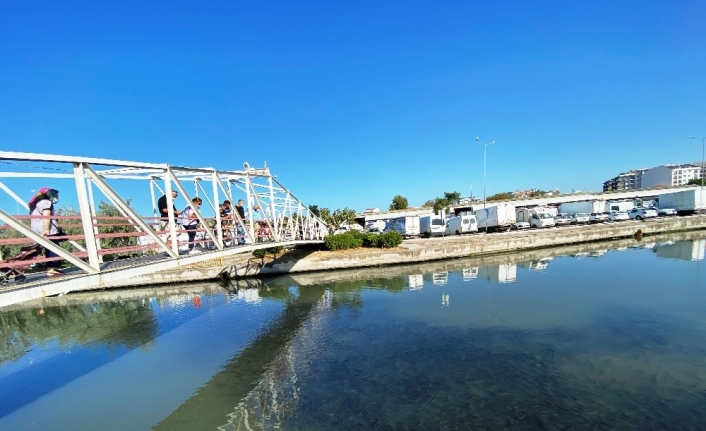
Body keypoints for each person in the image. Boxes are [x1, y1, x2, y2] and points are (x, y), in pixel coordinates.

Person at [29, 188, 64, 277]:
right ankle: (51, 270)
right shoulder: (46, 202)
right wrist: (47, 229)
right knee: (54, 249)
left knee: (40, 251)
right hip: (47, 231)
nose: (55, 197)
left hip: (37, 231)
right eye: (52, 194)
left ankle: (51, 269)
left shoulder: (35, 205)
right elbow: (46, 216)